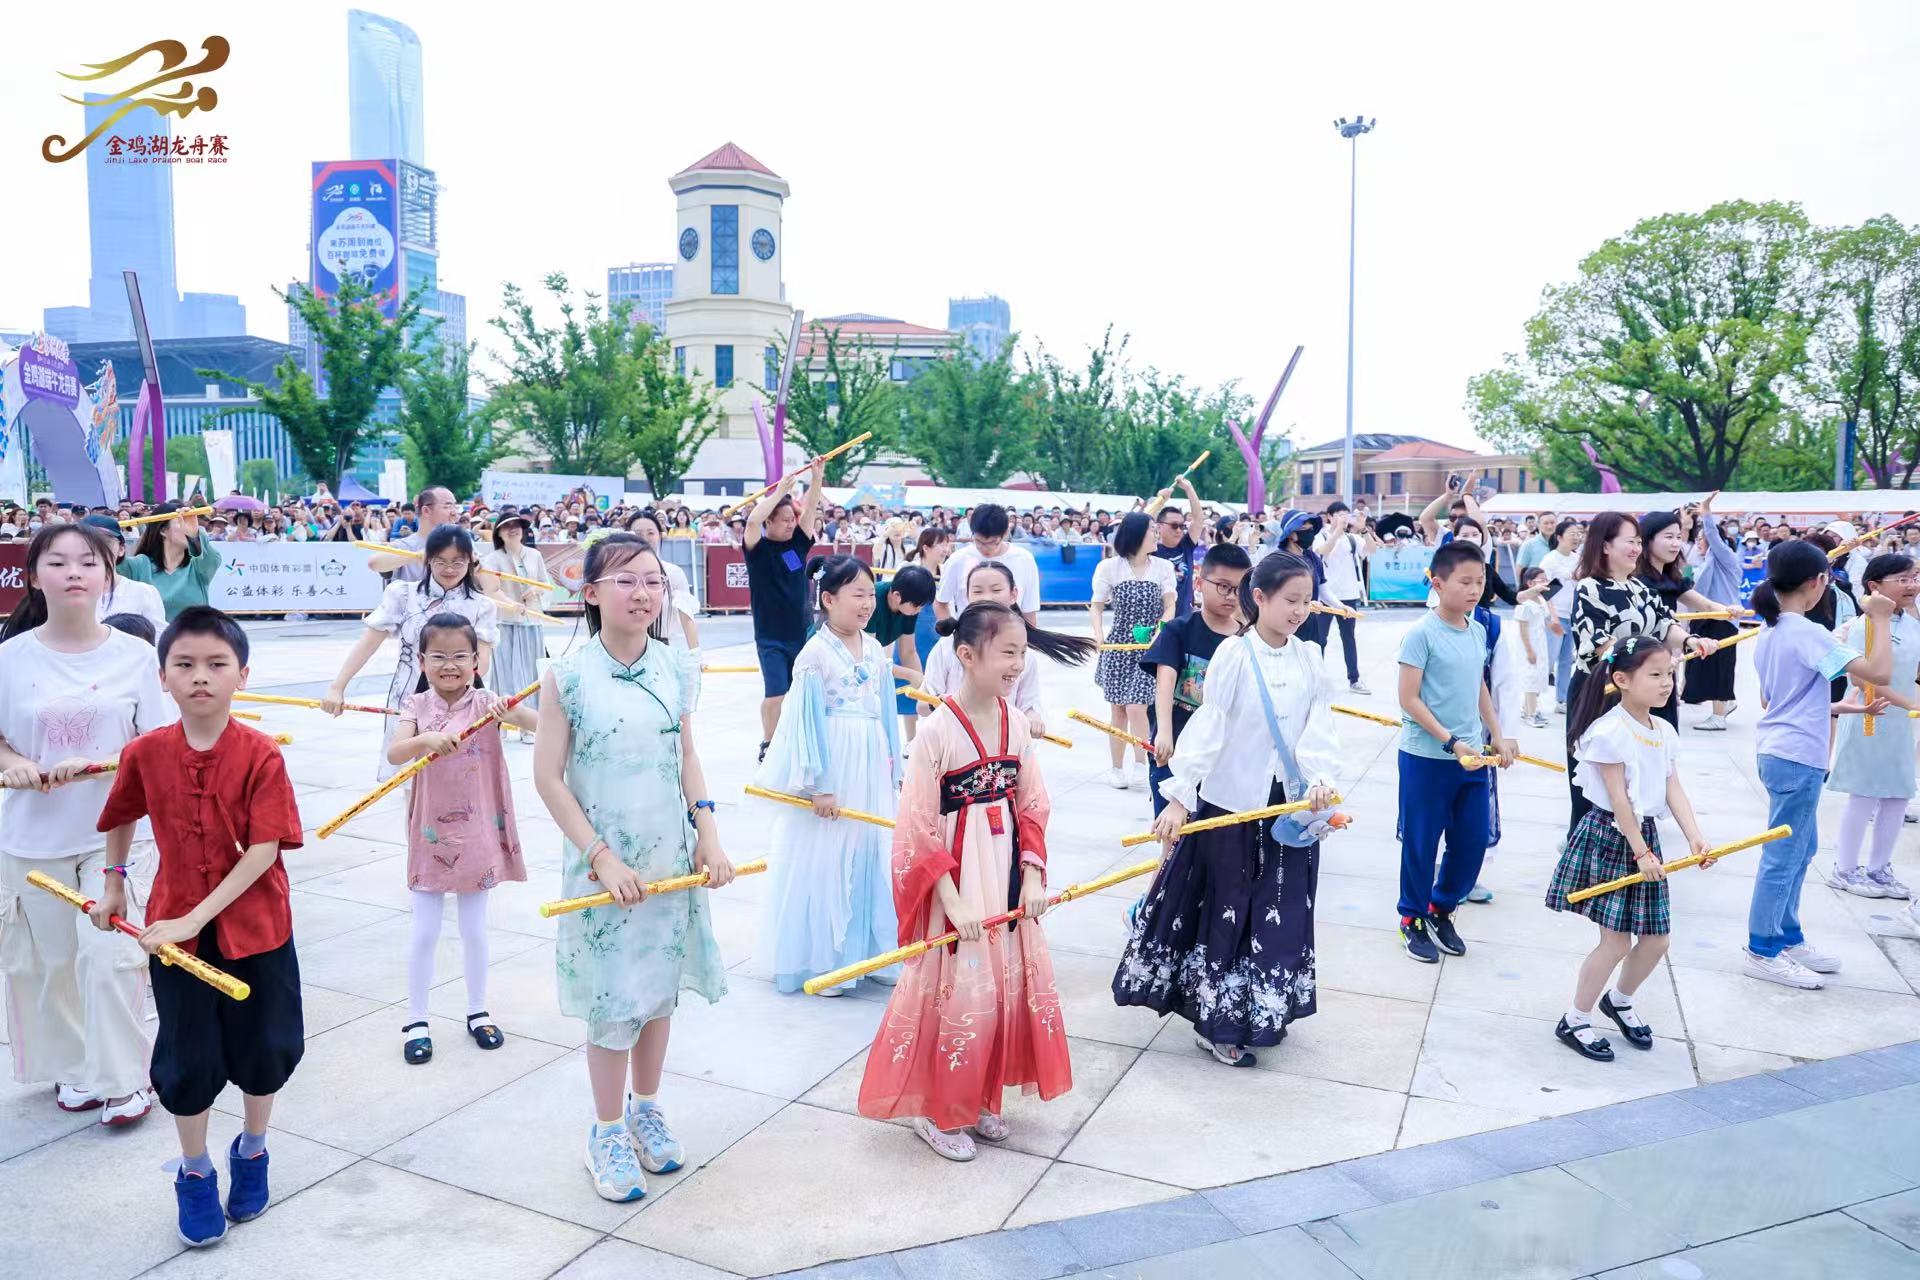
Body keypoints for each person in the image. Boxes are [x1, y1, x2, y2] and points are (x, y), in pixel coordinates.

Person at [94, 608, 306, 1246]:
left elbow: (263, 851)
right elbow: (121, 813)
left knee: (266, 1047)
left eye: (217, 664)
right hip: (175, 934)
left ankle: (254, 1149)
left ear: (243, 674)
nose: (200, 677)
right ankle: (194, 1170)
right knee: (186, 1057)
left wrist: (193, 916)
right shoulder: (145, 752)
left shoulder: (261, 753)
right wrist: (113, 883)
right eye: (184, 664)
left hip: (258, 928)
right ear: (163, 677)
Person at [532, 532, 733, 1201]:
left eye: (653, 580)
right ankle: (607, 1129)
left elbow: (687, 756)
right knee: (612, 1002)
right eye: (626, 580)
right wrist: (601, 856)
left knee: (657, 993)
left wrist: (708, 834)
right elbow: (548, 778)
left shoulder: (675, 666)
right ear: (590, 593)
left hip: (668, 859)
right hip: (604, 868)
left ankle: (646, 1109)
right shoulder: (567, 675)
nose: (643, 593)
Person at [855, 601, 1073, 1161]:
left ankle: (978, 1098)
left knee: (997, 989)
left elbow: (1033, 804)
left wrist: (1032, 877)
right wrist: (950, 902)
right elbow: (917, 828)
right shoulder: (935, 733)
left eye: (1022, 653)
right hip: (956, 886)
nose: (1018, 664)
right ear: (967, 655)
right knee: (955, 991)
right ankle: (935, 1109)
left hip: (1004, 875)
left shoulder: (1015, 722)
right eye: (1008, 653)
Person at [1114, 552, 1342, 1066]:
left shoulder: (1309, 657)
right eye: (1290, 600)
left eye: (1307, 601)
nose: (1300, 611)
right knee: (1230, 909)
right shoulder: (1235, 656)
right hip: (1232, 806)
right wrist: (1179, 799)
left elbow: (1319, 727)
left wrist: (1321, 783)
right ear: (1258, 597)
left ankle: (1263, 1009)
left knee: (1280, 910)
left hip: (1287, 810)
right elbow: (1209, 727)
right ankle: (1218, 1022)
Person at [0, 523, 172, 1130]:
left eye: (87, 561)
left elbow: (159, 745)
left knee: (109, 956)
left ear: (107, 575)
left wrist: (106, 763)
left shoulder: (137, 656)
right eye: (57, 561)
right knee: (54, 962)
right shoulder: (9, 658)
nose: (73, 571)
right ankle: (75, 1067)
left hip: (116, 837)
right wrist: (15, 763)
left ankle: (126, 1078)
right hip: (33, 839)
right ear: (34, 576)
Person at [1546, 638, 1714, 1061]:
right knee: (1616, 942)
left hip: (1644, 838)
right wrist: (1641, 852)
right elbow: (1619, 801)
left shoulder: (1664, 730)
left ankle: (1619, 1001)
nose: (1666, 683)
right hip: (1611, 838)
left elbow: (1672, 786)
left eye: (1670, 673)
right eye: (1655, 675)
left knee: (1657, 940)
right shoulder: (1608, 732)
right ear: (1622, 680)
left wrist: (1694, 835)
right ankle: (1575, 1019)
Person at [388, 613, 536, 1065]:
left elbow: (541, 724)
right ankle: (417, 1019)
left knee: (474, 928)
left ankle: (477, 1010)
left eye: (459, 657)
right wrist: (427, 740)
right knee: (425, 930)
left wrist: (511, 711)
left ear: (476, 661)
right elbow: (395, 753)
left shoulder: (488, 702)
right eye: (438, 657)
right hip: (430, 834)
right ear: (422, 661)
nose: (449, 665)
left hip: (477, 834)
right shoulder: (416, 706)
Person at [1746, 539, 1894, 989]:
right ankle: (1762, 948)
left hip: (1781, 750)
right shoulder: (1806, 632)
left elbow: (1774, 699)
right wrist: (1880, 619)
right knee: (1784, 855)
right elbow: (1878, 673)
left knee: (1801, 849)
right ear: (1817, 583)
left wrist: (1838, 706)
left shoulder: (1772, 630)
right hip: (1796, 756)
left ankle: (1786, 936)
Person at [753, 558, 904, 994]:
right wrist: (820, 784)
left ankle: (868, 954)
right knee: (828, 856)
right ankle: (824, 960)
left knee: (870, 851)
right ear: (828, 599)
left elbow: (886, 711)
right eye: (857, 594)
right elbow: (806, 722)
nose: (866, 603)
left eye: (869, 594)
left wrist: (894, 765)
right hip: (836, 763)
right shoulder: (815, 654)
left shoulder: (874, 648)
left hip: (871, 762)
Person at [1395, 541, 1518, 964]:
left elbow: (1478, 686)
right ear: (1437, 583)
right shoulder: (1420, 634)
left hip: (1473, 757)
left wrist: (1497, 733)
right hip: (1427, 758)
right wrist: (1450, 741)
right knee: (1421, 842)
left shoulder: (1477, 630)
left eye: (1479, 581)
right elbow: (1408, 699)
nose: (1474, 590)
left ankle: (1440, 907)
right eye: (1465, 582)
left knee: (1472, 842)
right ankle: (1411, 918)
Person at [1565, 513, 1714, 837]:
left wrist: (1690, 641)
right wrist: (1643, 664)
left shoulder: (1639, 587)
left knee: (1637, 774)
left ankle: (1633, 843)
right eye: (1628, 541)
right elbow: (1600, 645)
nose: (1636, 548)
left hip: (1637, 694)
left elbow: (1664, 624)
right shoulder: (1590, 588)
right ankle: (1585, 843)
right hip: (1600, 693)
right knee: (1599, 782)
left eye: (1638, 541)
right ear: (1605, 545)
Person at [321, 526, 499, 779]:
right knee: (409, 778)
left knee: (459, 779)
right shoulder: (404, 595)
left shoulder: (482, 606)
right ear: (428, 560)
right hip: (407, 699)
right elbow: (368, 644)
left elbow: (482, 663)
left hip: (461, 703)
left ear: (471, 560)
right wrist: (337, 687)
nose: (449, 569)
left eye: (458, 562)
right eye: (441, 561)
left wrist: (453, 689)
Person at [1824, 553, 1918, 900]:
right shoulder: (1864, 626)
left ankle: (1879, 869)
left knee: (1898, 794)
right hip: (1870, 716)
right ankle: (1844, 869)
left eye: (1914, 578)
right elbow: (1861, 679)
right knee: (1864, 794)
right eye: (1902, 579)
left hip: (1901, 724)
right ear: (1874, 586)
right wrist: (1909, 703)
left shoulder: (1912, 623)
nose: (1911, 585)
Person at [1142, 543, 1253, 818]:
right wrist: (1164, 732)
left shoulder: (1246, 640)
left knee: (1208, 826)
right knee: (1169, 822)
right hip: (1175, 747)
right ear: (1200, 583)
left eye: (1239, 589)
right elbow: (1165, 681)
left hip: (1220, 752)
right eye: (1223, 586)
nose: (1231, 596)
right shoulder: (1178, 630)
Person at [744, 460, 825, 761]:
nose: (792, 524)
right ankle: (768, 743)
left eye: (793, 519)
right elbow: (752, 521)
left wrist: (817, 478)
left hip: (800, 633)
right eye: (785, 520)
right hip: (770, 637)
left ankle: (797, 740)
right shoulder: (757, 549)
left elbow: (811, 509)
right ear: (771, 521)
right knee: (775, 693)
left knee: (803, 694)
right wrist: (779, 493)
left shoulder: (798, 546)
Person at [1090, 512, 1177, 790]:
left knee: (1137, 706)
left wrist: (1160, 631)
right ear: (1137, 534)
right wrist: (1098, 634)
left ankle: (1141, 762)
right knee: (1118, 711)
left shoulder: (1163, 567)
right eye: (1152, 530)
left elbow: (1170, 606)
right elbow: (1097, 606)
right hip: (1119, 646)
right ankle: (1117, 768)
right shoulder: (1109, 567)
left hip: (1149, 647)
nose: (1157, 534)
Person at [479, 515, 553, 743]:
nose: (513, 530)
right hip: (506, 622)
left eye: (517, 526)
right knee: (505, 673)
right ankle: (500, 720)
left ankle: (528, 726)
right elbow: (492, 591)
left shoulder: (534, 555)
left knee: (531, 673)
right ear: (499, 533)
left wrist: (535, 591)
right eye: (507, 527)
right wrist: (511, 605)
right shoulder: (492, 559)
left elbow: (545, 583)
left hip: (532, 621)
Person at [1683, 493, 1748, 731]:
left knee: (1719, 666)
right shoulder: (1702, 562)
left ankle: (1719, 716)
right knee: (1703, 666)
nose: (1700, 541)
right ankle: (1725, 704)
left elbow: (1712, 534)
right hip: (1703, 618)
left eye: (1702, 538)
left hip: (1723, 618)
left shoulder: (1724, 557)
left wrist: (1706, 512)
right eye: (1698, 538)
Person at [935, 502, 1042, 626]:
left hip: (1010, 634)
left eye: (993, 542)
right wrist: (954, 633)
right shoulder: (957, 560)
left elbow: (1029, 612)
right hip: (971, 633)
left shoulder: (1024, 560)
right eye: (979, 542)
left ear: (1005, 533)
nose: (985, 549)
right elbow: (941, 603)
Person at [118, 501, 223, 621]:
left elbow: (210, 556)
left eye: (190, 522)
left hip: (196, 632)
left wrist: (194, 536)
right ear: (163, 530)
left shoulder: (198, 566)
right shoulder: (138, 565)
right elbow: (109, 561)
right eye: (181, 521)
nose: (187, 527)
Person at [867, 563, 935, 741]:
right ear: (897, 596)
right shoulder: (871, 602)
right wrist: (910, 675)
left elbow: (908, 652)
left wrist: (923, 688)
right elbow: (868, 659)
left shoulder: (909, 609)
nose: (919, 610)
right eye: (917, 606)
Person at [1313, 502, 1374, 694]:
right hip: (1325, 595)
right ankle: (1316, 680)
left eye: (1347, 514)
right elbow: (1322, 551)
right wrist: (1337, 531)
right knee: (1320, 639)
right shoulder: (1320, 536)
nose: (1344, 518)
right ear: (1329, 516)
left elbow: (1371, 550)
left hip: (1348, 595)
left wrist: (1364, 529)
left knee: (1348, 638)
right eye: (1340, 514)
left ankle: (1354, 679)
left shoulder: (1353, 538)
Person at [76, 514, 167, 632]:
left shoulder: (143, 593)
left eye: (104, 542)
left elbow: (159, 636)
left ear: (121, 549)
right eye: (85, 542)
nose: (94, 548)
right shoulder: (64, 592)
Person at [365, 487, 459, 582]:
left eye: (455, 506)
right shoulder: (404, 545)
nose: (454, 513)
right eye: (447, 506)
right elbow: (374, 563)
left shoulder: (461, 542)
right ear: (426, 511)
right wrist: (417, 556)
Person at [1539, 520, 1584, 713]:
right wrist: (1553, 616)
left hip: (1572, 616)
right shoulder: (1550, 560)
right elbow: (1544, 590)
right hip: (1555, 616)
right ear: (1559, 537)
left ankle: (1562, 700)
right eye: (1571, 533)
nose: (1576, 537)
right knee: (1548, 660)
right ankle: (1532, 701)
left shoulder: (1578, 558)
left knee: (1566, 661)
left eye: (1578, 533)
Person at [1148, 477, 1204, 617]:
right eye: (1174, 526)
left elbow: (1198, 519)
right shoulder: (1150, 549)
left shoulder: (1186, 545)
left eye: (1182, 526)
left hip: (1184, 617)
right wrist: (1160, 502)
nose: (1179, 530)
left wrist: (1189, 488)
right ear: (1159, 526)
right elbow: (1136, 525)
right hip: (1156, 618)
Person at [1514, 566, 1552, 727]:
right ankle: (1531, 714)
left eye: (1546, 579)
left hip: (1540, 643)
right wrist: (1529, 650)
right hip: (1529, 644)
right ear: (1530, 583)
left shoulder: (1541, 600)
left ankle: (1528, 709)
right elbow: (1522, 629)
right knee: (1531, 678)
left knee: (1538, 677)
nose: (1545, 582)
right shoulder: (1525, 604)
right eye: (1541, 580)